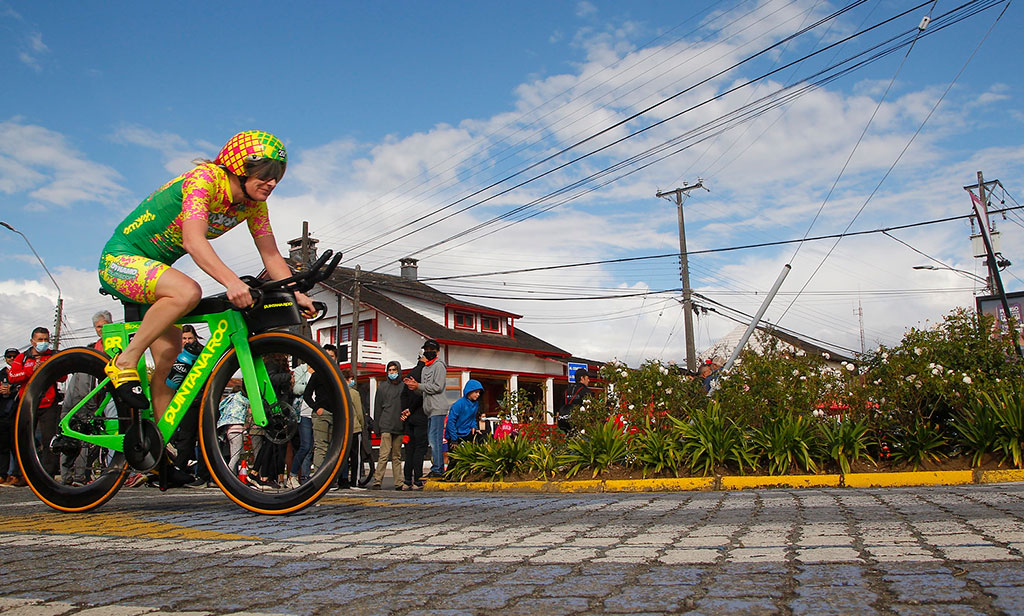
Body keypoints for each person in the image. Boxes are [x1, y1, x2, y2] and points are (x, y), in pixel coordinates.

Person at [96, 130, 315, 423]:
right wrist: (232, 281)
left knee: (170, 358)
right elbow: (193, 241)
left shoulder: (254, 205)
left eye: (277, 175)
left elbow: (271, 255)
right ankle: (125, 360)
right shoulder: (205, 179)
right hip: (120, 259)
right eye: (265, 174)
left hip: (155, 272)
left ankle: (160, 448)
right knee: (187, 292)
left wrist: (296, 292)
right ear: (239, 168)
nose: (272, 182)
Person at [7, 327, 58, 478]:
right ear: (32, 341)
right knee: (24, 440)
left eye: (46, 340)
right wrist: (31, 370)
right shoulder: (22, 357)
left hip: (48, 404)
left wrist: (48, 368)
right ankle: (20, 475)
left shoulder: (53, 356)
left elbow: (62, 378)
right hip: (28, 404)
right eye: (40, 340)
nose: (43, 343)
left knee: (50, 440)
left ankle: (49, 475)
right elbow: (13, 377)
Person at [403, 339, 447, 478]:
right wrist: (413, 386)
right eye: (426, 349)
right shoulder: (425, 368)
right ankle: (436, 468)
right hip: (428, 410)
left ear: (438, 352)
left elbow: (438, 387)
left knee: (435, 440)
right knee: (432, 439)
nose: (428, 352)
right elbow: (423, 391)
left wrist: (419, 386)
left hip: (438, 408)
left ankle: (438, 469)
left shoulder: (439, 366)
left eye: (431, 350)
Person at [371, 360, 405, 489]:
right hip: (385, 424)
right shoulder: (382, 387)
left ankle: (399, 482)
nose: (392, 373)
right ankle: (377, 480)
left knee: (397, 456)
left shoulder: (403, 387)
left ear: (399, 371)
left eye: (394, 370)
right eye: (390, 370)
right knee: (383, 455)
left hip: (399, 425)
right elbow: (378, 407)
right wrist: (376, 427)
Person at [399, 358, 428, 491]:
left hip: (408, 420)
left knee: (409, 450)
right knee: (420, 449)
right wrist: (411, 409)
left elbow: (403, 395)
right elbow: (422, 395)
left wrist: (405, 412)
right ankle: (417, 480)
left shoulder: (410, 373)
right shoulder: (425, 373)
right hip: (421, 416)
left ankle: (406, 480)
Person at [445, 379, 484, 471]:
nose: (478, 395)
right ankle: (448, 477)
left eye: (479, 393)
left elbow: (473, 418)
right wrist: (454, 439)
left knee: (472, 453)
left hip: (466, 432)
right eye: (476, 392)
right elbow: (450, 422)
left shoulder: (476, 404)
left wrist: (474, 427)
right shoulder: (458, 404)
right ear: (469, 392)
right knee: (454, 458)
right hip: (454, 434)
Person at [335, 371, 365, 490]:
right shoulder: (353, 393)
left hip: (341, 429)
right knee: (355, 456)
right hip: (354, 428)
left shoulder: (337, 392)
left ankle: (341, 480)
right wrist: (362, 425)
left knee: (342, 456)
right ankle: (355, 481)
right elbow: (359, 412)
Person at [0, 348, 22, 487]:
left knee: (17, 446)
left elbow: (24, 388)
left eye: (15, 356)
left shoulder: (21, 373)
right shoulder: (1, 374)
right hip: (3, 413)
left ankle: (17, 474)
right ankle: (3, 474)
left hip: (17, 413)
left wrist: (12, 390)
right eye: (9, 356)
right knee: (2, 446)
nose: (12, 358)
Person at [556, 368, 591, 434]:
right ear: (582, 378)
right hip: (579, 426)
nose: (589, 380)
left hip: (564, 424)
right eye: (587, 378)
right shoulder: (586, 391)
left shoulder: (566, 391)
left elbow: (559, 409)